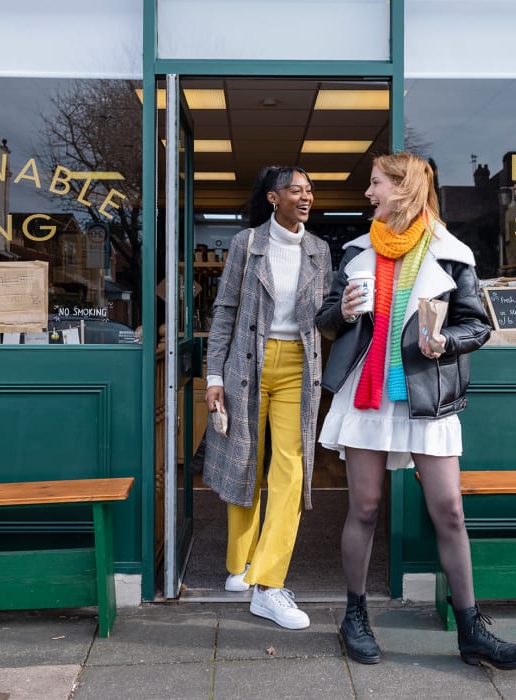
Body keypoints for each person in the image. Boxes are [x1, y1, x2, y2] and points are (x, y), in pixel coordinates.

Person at [317, 152, 516, 669]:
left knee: (449, 511)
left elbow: (477, 325)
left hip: (426, 395)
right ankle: (355, 616)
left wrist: (444, 343)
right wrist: (341, 312)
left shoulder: (452, 253)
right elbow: (324, 318)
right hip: (366, 395)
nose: (367, 194)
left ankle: (472, 628)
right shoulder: (354, 251)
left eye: (375, 184)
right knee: (364, 508)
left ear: (404, 187)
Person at [202, 165, 333, 630]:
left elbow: (327, 317)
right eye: (296, 189)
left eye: (310, 189)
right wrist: (213, 374)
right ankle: (240, 563)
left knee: (290, 468)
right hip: (246, 364)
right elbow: (225, 311)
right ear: (274, 198)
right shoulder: (246, 244)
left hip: (299, 364)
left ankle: (269, 583)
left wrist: (348, 313)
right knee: (243, 458)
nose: (306, 196)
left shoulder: (319, 250)